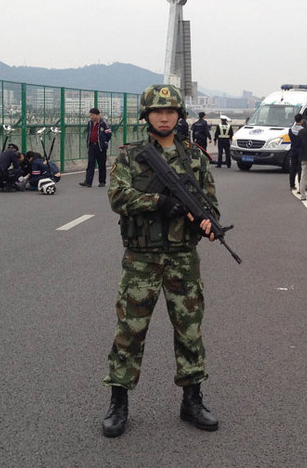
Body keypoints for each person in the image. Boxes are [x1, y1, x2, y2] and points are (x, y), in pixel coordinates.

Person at [102, 83, 221, 437]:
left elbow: (210, 203)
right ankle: (118, 402)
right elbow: (117, 196)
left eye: (170, 111)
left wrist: (207, 223)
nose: (164, 116)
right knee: (130, 331)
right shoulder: (130, 156)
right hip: (142, 259)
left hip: (183, 258)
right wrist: (157, 202)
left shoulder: (195, 156)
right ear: (147, 116)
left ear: (179, 115)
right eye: (157, 111)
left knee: (189, 330)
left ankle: (192, 399)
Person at [79, 108, 112, 188]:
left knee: (101, 164)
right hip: (92, 146)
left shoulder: (103, 123)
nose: (91, 117)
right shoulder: (90, 123)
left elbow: (109, 134)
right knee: (90, 164)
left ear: (97, 115)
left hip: (100, 147)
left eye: (92, 115)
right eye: (90, 115)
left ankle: (102, 181)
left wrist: (104, 142)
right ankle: (88, 181)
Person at [288, 113, 304, 190]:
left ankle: (292, 184)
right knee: (300, 169)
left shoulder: (291, 130)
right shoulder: (303, 131)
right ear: (301, 120)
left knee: (293, 168)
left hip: (293, 149)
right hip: (301, 150)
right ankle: (300, 185)